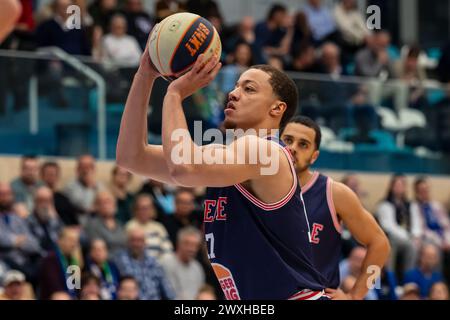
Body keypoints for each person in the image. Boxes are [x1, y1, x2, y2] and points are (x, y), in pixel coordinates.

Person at [117, 34, 329, 300]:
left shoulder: (266, 152)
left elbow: (183, 168)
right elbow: (131, 157)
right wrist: (145, 76)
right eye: (236, 86)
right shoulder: (226, 157)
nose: (234, 93)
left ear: (277, 108)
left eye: (249, 89)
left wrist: (173, 94)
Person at [280, 116, 390, 299]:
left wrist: (357, 294)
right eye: (288, 140)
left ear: (314, 156)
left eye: (303, 145)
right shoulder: (259, 188)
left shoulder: (333, 193)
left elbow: (381, 245)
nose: (293, 148)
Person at [113, 227, 175, 300]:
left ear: (145, 243)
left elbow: (166, 287)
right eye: (133, 240)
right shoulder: (120, 260)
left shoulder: (153, 262)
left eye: (140, 240)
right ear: (128, 242)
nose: (136, 244)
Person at [377, 174, 420, 274]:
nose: (400, 188)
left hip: (409, 238)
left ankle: (410, 278)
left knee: (423, 247)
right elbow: (388, 226)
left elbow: (416, 223)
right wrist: (408, 237)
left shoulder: (410, 205)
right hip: (391, 237)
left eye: (402, 185)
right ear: (391, 187)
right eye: (397, 185)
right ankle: (394, 277)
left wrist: (416, 236)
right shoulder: (385, 204)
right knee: (406, 246)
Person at [0, 183, 41, 282]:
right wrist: (16, 241)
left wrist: (27, 217)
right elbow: (2, 240)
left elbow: (34, 243)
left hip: (26, 260)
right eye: (2, 194)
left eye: (8, 194)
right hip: (6, 262)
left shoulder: (18, 217)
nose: (6, 197)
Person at [160, 227, 205, 300]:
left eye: (195, 245)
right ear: (179, 244)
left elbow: (202, 293)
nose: (192, 249)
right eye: (188, 244)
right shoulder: (167, 262)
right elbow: (170, 295)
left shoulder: (197, 267)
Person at [125, 194, 173, 261]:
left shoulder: (159, 227)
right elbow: (127, 250)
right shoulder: (130, 226)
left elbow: (167, 250)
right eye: (141, 208)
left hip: (158, 265)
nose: (144, 211)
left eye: (147, 208)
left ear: (152, 210)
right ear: (136, 210)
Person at [38, 227, 81, 299]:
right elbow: (54, 287)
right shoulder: (50, 259)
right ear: (60, 241)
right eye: (71, 240)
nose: (74, 244)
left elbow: (76, 287)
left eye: (75, 241)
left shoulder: (73, 261)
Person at [40, 161, 80, 226]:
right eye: (48, 174)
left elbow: (75, 223)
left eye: (53, 174)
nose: (50, 177)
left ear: (58, 176)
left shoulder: (64, 199)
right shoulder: (38, 199)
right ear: (42, 176)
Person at [27, 186, 63, 253]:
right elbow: (34, 246)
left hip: (57, 257)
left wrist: (54, 219)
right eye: (41, 201)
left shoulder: (55, 219)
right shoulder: (29, 221)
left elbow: (62, 239)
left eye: (48, 201)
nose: (44, 205)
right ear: (35, 202)